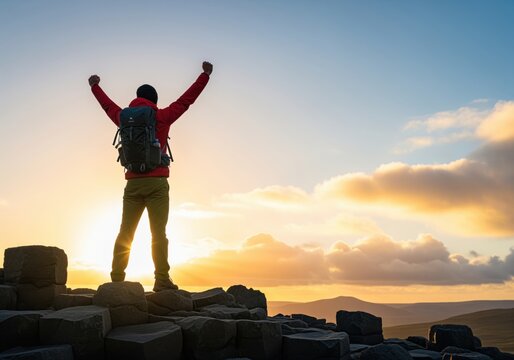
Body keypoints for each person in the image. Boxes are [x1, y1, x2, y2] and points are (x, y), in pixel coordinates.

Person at [88, 61, 213, 291]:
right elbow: (186, 101)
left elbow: (107, 106)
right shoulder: (161, 117)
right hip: (157, 183)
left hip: (132, 184)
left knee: (126, 232)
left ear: (136, 99)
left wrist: (95, 86)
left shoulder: (124, 117)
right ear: (154, 101)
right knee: (158, 233)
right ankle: (162, 280)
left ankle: (116, 279)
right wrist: (204, 75)